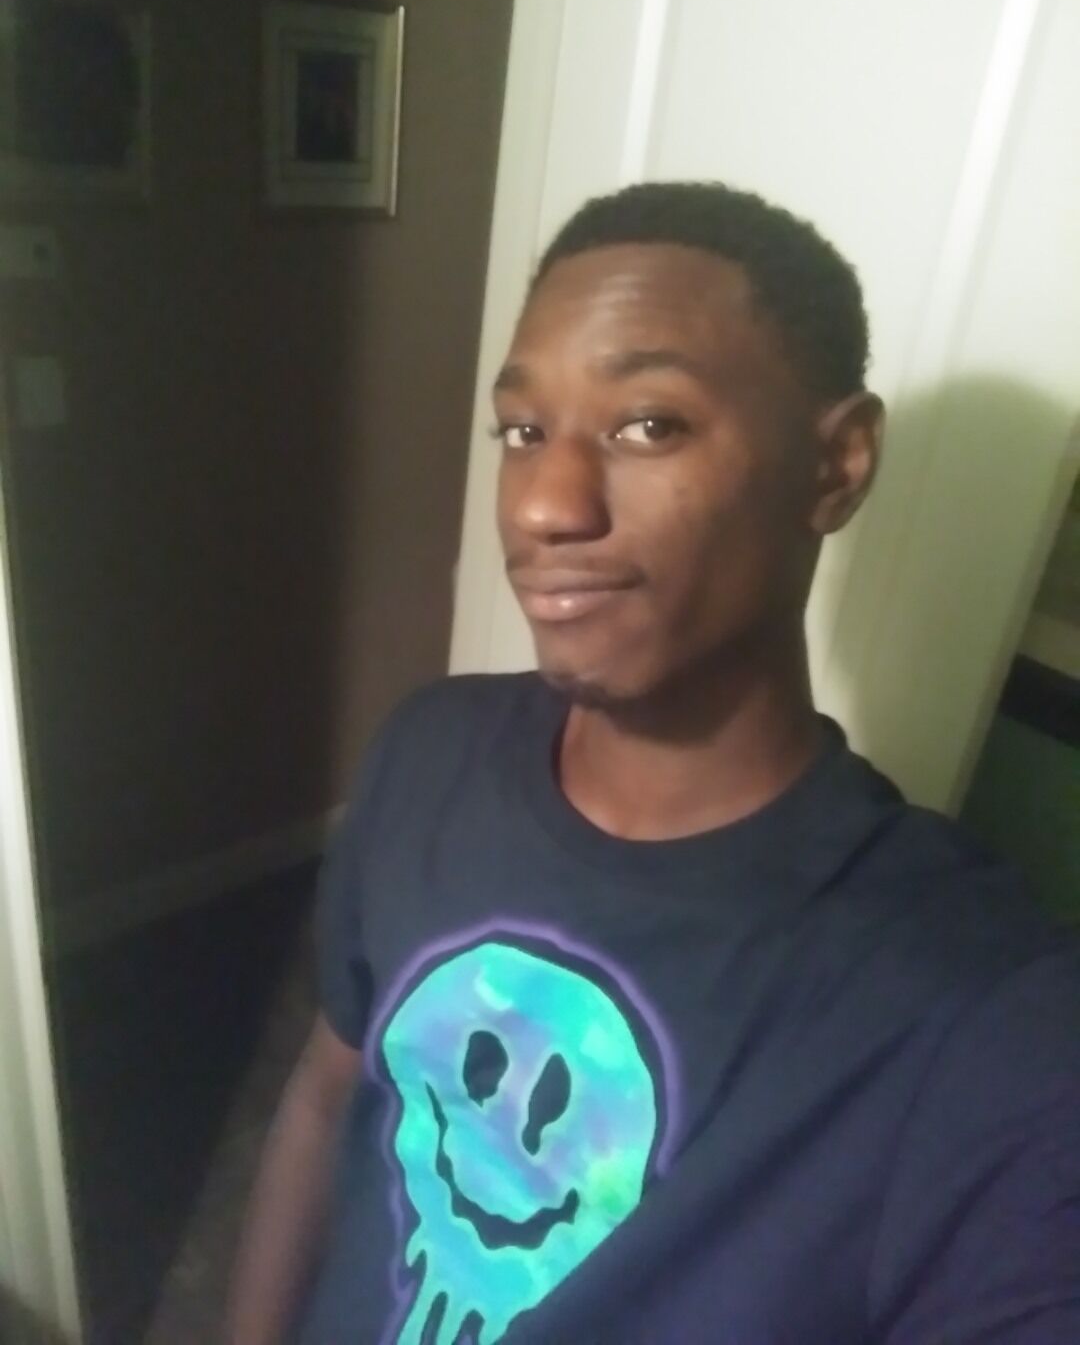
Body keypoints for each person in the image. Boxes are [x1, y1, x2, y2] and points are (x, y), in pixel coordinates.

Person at [227, 182, 1080, 1345]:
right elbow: (328, 1097)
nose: (545, 506)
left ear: (837, 465)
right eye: (523, 431)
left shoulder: (972, 1012)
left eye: (647, 425)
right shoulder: (428, 753)